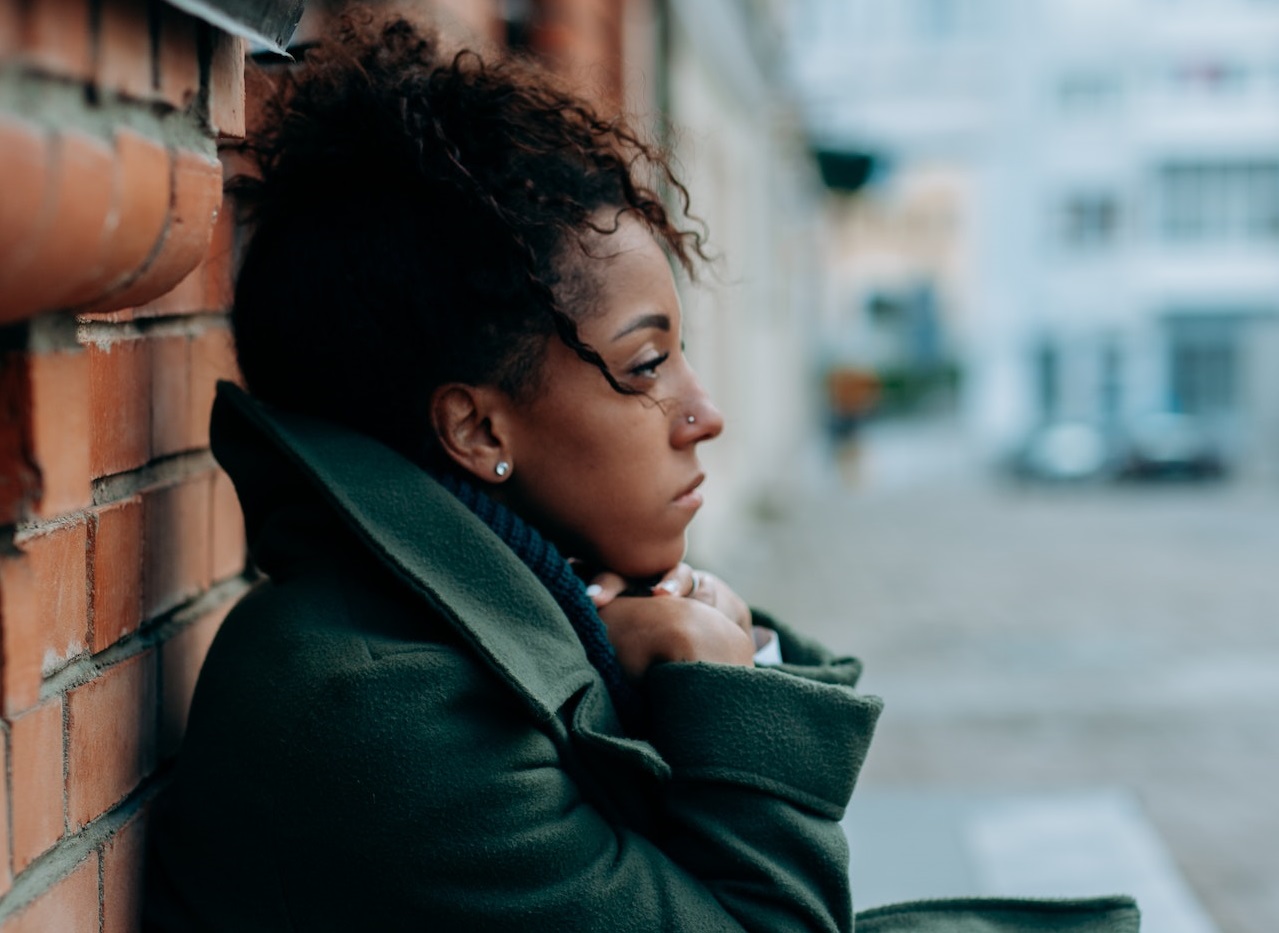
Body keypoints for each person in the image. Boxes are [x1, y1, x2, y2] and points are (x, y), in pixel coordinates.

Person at [143, 13, 1140, 932]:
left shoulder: (502, 617)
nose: (705, 415)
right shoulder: (374, 713)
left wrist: (676, 642)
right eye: (646, 367)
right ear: (475, 429)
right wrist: (710, 679)